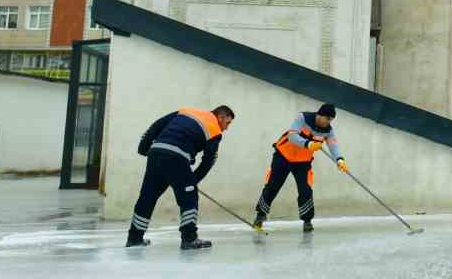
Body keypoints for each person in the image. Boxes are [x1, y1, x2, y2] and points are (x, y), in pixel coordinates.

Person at [127, 105, 235, 250]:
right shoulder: (215, 130)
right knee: (189, 198)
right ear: (220, 117)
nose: (226, 128)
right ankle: (189, 239)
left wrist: (144, 148)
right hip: (177, 158)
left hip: (156, 153)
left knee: (147, 197)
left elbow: (156, 126)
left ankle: (134, 238)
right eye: (227, 123)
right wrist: (193, 180)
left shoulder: (186, 112)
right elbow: (209, 160)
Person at [253, 103, 349, 233]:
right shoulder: (303, 118)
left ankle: (307, 221)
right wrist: (308, 144)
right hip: (283, 156)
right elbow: (292, 136)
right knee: (272, 186)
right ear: (320, 115)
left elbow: (333, 145)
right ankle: (260, 215)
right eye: (328, 119)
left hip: (303, 163)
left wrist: (340, 159)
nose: (329, 122)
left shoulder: (328, 131)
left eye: (331, 120)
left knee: (306, 190)